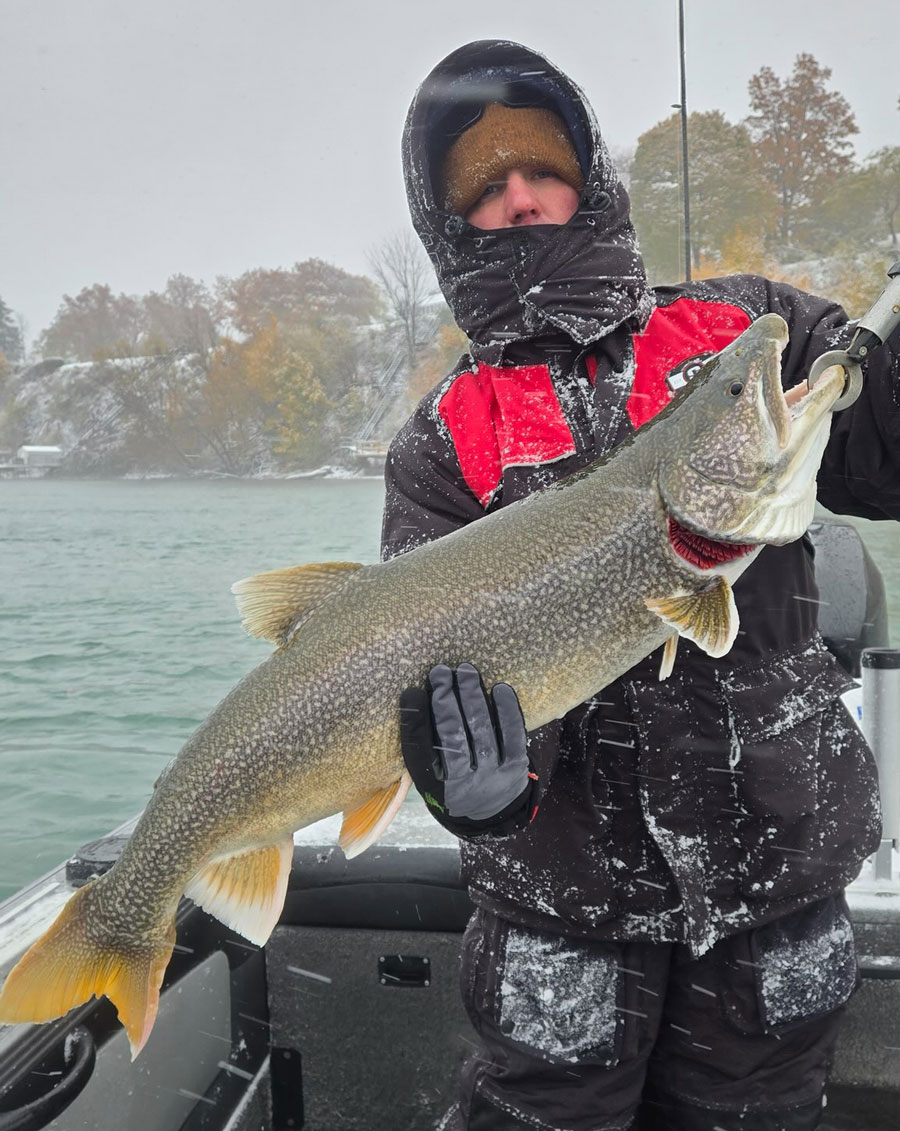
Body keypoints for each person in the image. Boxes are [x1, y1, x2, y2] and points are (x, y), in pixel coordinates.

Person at [382, 39, 900, 1131]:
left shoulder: (739, 334)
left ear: (591, 174)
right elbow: (420, 672)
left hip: (777, 879)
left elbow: (886, 448)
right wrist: (475, 786)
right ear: (449, 223)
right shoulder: (443, 439)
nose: (518, 194)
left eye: (541, 164)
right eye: (481, 186)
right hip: (558, 907)